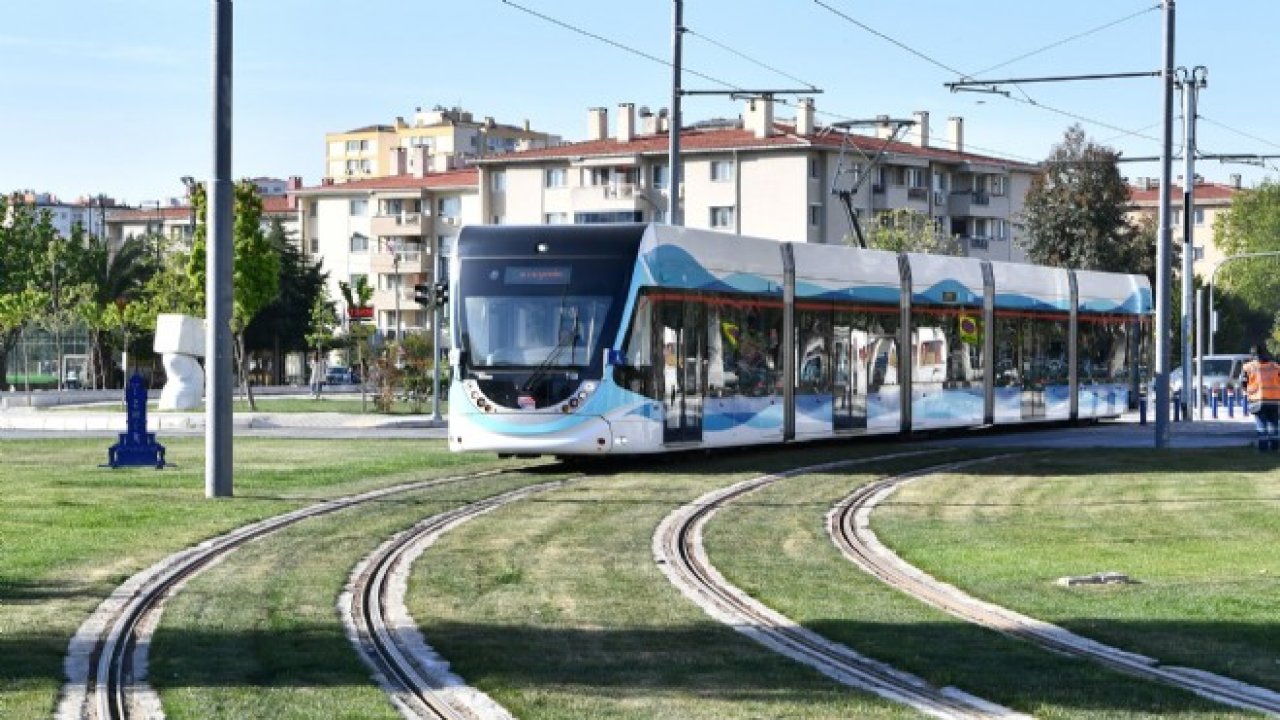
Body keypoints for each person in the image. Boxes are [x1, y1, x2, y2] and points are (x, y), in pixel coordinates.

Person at [1241, 343, 1280, 451]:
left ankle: (1263, 449)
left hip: (1257, 400)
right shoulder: (1275, 366)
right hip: (1275, 400)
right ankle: (1275, 448)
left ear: (1252, 354)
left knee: (1261, 425)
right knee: (1274, 425)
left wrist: (1247, 392)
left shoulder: (1248, 367)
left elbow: (1243, 383)